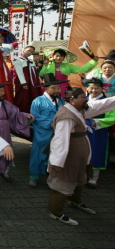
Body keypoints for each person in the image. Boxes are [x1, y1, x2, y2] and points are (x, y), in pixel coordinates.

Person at [47, 88, 115, 225]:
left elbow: (100, 105)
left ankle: (75, 201)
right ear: (73, 99)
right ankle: (56, 212)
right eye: (84, 97)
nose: (87, 99)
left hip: (79, 156)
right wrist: (56, 163)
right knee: (63, 184)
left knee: (79, 179)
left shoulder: (78, 109)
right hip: (68, 158)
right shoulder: (66, 116)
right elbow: (60, 141)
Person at [0, 77, 33, 182]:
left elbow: (16, 113)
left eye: (3, 90)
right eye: (0, 91)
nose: (3, 93)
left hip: (5, 130)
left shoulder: (6, 104)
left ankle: (5, 171)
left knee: (6, 150)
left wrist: (26, 115)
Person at [28, 73, 68, 188]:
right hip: (43, 133)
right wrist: (51, 122)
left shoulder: (60, 101)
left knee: (55, 155)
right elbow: (35, 116)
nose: (57, 90)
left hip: (57, 133)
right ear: (46, 88)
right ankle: (34, 176)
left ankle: (51, 176)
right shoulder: (38, 101)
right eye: (53, 88)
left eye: (58, 87)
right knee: (38, 154)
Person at [84, 78, 115, 188]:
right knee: (82, 152)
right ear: (87, 88)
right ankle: (83, 176)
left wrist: (96, 122)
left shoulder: (108, 102)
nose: (94, 90)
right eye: (91, 88)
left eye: (97, 88)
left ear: (102, 89)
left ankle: (93, 178)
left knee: (96, 153)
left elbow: (112, 118)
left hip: (98, 132)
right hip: (82, 132)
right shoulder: (82, 100)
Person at [13, 45, 43, 113]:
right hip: (24, 82)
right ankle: (22, 114)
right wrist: (23, 83)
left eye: (32, 52)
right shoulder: (18, 60)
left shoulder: (31, 61)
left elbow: (35, 72)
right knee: (23, 98)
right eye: (29, 50)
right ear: (24, 50)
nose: (30, 53)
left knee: (34, 96)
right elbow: (20, 73)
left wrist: (40, 81)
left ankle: (33, 113)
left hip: (33, 83)